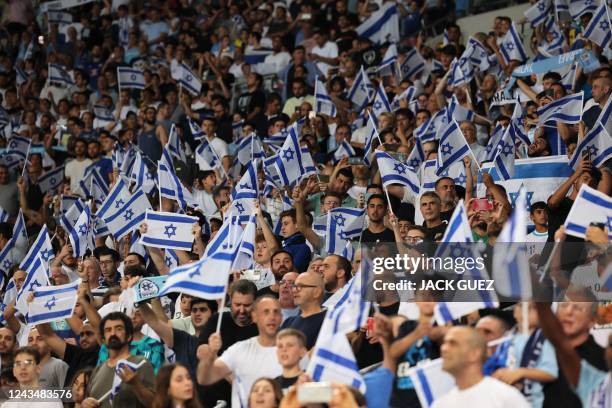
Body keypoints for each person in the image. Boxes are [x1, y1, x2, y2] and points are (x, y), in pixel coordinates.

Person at [196, 296, 284, 407]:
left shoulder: (292, 352)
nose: (272, 317)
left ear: (281, 317)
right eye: (266, 312)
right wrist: (211, 354)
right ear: (254, 316)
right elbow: (204, 378)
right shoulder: (239, 350)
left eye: (276, 312)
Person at [431, 326, 530, 407]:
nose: (444, 348)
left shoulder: (504, 397)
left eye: (453, 343)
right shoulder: (440, 405)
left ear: (474, 354)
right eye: (444, 343)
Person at [82, 312, 155, 408]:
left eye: (119, 329)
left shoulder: (141, 364)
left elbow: (155, 404)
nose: (113, 333)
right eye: (108, 330)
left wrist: (135, 384)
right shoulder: (97, 370)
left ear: (129, 336)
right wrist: (85, 404)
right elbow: (89, 399)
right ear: (103, 339)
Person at [280, 271, 326, 349]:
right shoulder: (288, 322)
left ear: (316, 292)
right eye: (294, 286)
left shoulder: (327, 321)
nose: (294, 290)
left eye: (300, 286)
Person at [273, 329, 307, 393]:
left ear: (302, 352)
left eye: (290, 345)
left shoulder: (310, 380)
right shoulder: (273, 385)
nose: (284, 349)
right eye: (280, 346)